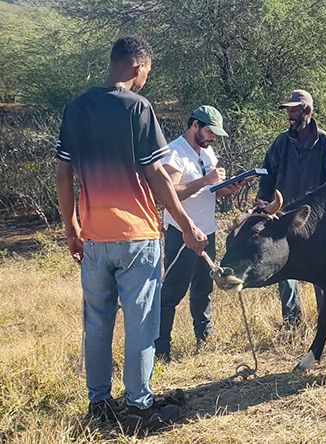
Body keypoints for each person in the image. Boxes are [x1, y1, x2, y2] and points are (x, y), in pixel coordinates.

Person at [55, 36, 207, 434]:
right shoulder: (137, 108)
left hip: (93, 236)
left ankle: (99, 403)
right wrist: (186, 223)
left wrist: (70, 225)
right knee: (142, 323)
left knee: (97, 322)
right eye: (146, 73)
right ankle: (139, 404)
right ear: (138, 66)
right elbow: (157, 173)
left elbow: (63, 173)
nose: (145, 81)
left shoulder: (77, 107)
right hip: (137, 235)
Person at [154, 105, 242, 362]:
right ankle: (161, 349)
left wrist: (227, 188)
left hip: (207, 230)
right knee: (172, 292)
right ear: (194, 125)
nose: (213, 137)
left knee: (204, 287)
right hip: (182, 233)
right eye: (209, 131)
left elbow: (210, 191)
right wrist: (206, 180)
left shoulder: (207, 151)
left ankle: (204, 337)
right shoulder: (175, 152)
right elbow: (170, 193)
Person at [256, 89, 326, 326]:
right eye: (289, 111)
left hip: (315, 221)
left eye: (294, 110)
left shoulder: (325, 142)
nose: (290, 116)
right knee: (285, 271)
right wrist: (263, 203)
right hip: (283, 218)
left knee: (322, 273)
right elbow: (267, 174)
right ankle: (292, 323)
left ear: (308, 111)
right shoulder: (282, 142)